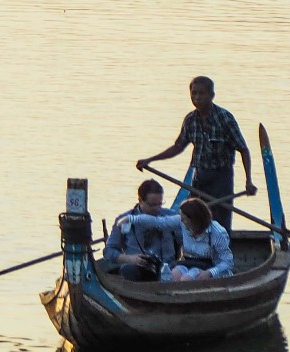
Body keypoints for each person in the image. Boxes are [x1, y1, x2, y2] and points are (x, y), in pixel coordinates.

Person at [138, 75, 255, 230]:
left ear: (211, 96)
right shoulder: (190, 120)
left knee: (220, 223)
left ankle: (220, 250)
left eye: (201, 93)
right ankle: (193, 251)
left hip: (221, 178)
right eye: (194, 94)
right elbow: (178, 147)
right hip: (199, 178)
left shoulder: (225, 119)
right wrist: (150, 160)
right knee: (193, 219)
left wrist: (248, 181)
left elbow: (243, 149)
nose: (197, 97)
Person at [102, 178, 180, 282]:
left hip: (167, 268)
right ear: (140, 200)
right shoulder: (124, 219)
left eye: (160, 204)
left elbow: (186, 241)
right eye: (152, 205)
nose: (157, 209)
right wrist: (130, 259)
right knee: (127, 269)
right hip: (137, 268)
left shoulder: (171, 216)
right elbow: (108, 251)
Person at [163, 197, 236, 281]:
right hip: (189, 263)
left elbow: (228, 263)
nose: (181, 221)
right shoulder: (182, 224)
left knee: (185, 279)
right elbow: (159, 222)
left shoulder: (217, 232)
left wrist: (210, 273)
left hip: (212, 268)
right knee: (173, 275)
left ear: (195, 219)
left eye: (184, 219)